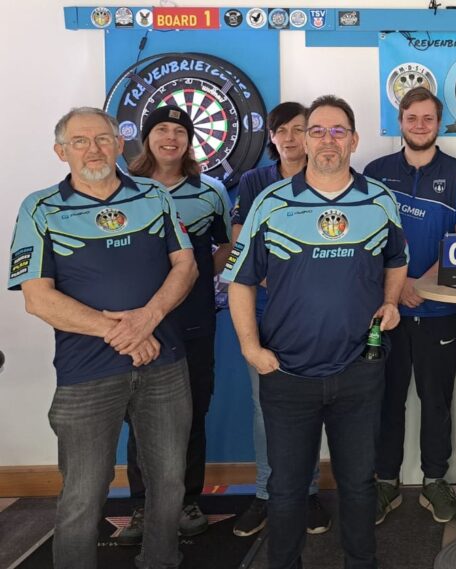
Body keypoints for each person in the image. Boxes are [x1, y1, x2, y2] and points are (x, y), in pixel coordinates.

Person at [8, 107, 197, 569]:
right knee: (83, 493)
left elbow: (186, 265)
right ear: (61, 152)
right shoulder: (40, 208)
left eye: (102, 139)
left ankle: (160, 561)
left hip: (164, 365)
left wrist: (149, 318)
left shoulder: (153, 194)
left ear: (119, 145)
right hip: (86, 374)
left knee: (169, 482)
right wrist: (124, 332)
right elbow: (37, 298)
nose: (92, 149)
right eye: (79, 141)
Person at [224, 95, 408, 569]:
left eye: (338, 130)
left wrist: (390, 301)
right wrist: (250, 348)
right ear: (304, 141)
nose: (329, 140)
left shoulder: (380, 200)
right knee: (286, 489)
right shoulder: (270, 202)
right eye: (318, 131)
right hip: (287, 373)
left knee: (359, 484)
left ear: (354, 140)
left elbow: (397, 259)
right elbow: (240, 280)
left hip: (358, 370)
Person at [112, 106, 232, 545]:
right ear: (146, 138)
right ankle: (143, 505)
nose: (170, 138)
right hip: (140, 321)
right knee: (140, 415)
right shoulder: (123, 187)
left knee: (192, 411)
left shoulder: (211, 190)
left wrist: (193, 282)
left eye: (179, 131)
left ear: (189, 141)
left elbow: (226, 246)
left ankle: (186, 500)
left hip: (194, 320)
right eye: (161, 129)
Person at [365, 87, 456, 525]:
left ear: (439, 123)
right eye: (411, 118)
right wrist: (397, 288)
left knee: (436, 402)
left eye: (427, 118)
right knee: (385, 401)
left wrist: (420, 284)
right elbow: (365, 239)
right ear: (400, 122)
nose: (419, 125)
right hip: (386, 310)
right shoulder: (375, 173)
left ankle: (435, 481)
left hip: (440, 311)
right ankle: (385, 482)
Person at [228, 101, 332, 538]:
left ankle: (307, 492)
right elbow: (239, 241)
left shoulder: (331, 178)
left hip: (316, 317)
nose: (290, 138)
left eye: (299, 129)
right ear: (271, 137)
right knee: (264, 409)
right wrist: (273, 275)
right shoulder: (255, 181)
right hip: (266, 314)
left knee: (313, 407)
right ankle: (266, 493)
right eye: (281, 130)